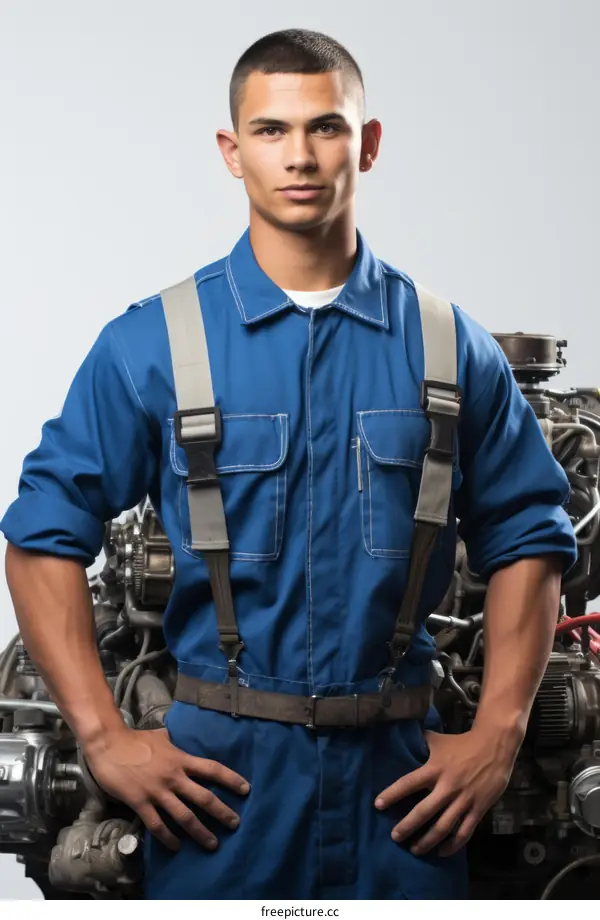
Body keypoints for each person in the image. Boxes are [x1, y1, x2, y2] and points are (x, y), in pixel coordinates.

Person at [0, 28, 577, 900]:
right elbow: (41, 537)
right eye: (270, 131)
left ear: (369, 143)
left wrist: (498, 733)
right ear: (232, 152)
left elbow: (531, 535)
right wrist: (105, 736)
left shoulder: (448, 348)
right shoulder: (153, 344)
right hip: (218, 796)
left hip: (403, 794)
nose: (299, 156)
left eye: (327, 128)